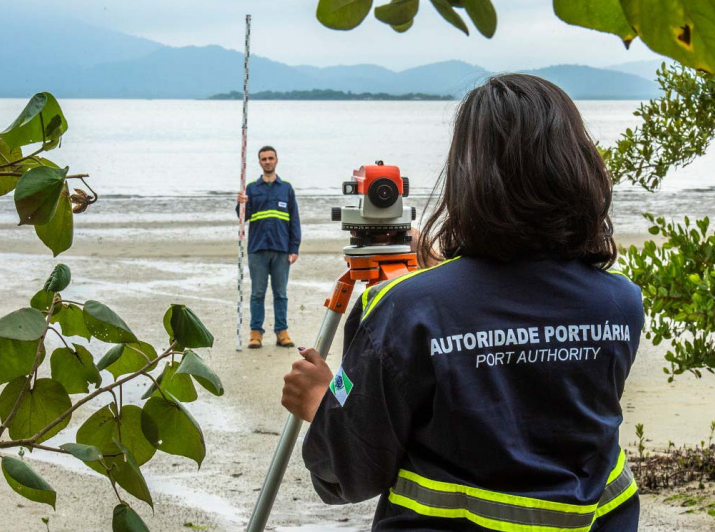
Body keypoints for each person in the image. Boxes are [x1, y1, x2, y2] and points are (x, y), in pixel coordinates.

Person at [281, 74, 644, 531]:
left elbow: (351, 470)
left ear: (468, 175)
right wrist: (446, 272)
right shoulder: (621, 304)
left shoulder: (408, 310)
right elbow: (529, 357)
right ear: (576, 165)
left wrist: (320, 402)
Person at [237, 146, 302, 349]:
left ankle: (282, 332)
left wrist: (294, 248)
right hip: (257, 249)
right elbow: (242, 217)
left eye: (270, 158)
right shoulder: (251, 189)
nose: (267, 161)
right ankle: (255, 333)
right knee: (257, 293)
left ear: (276, 160)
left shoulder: (286, 188)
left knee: (280, 293)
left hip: (282, 249)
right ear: (259, 162)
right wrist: (241, 204)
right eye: (264, 159)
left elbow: (295, 221)